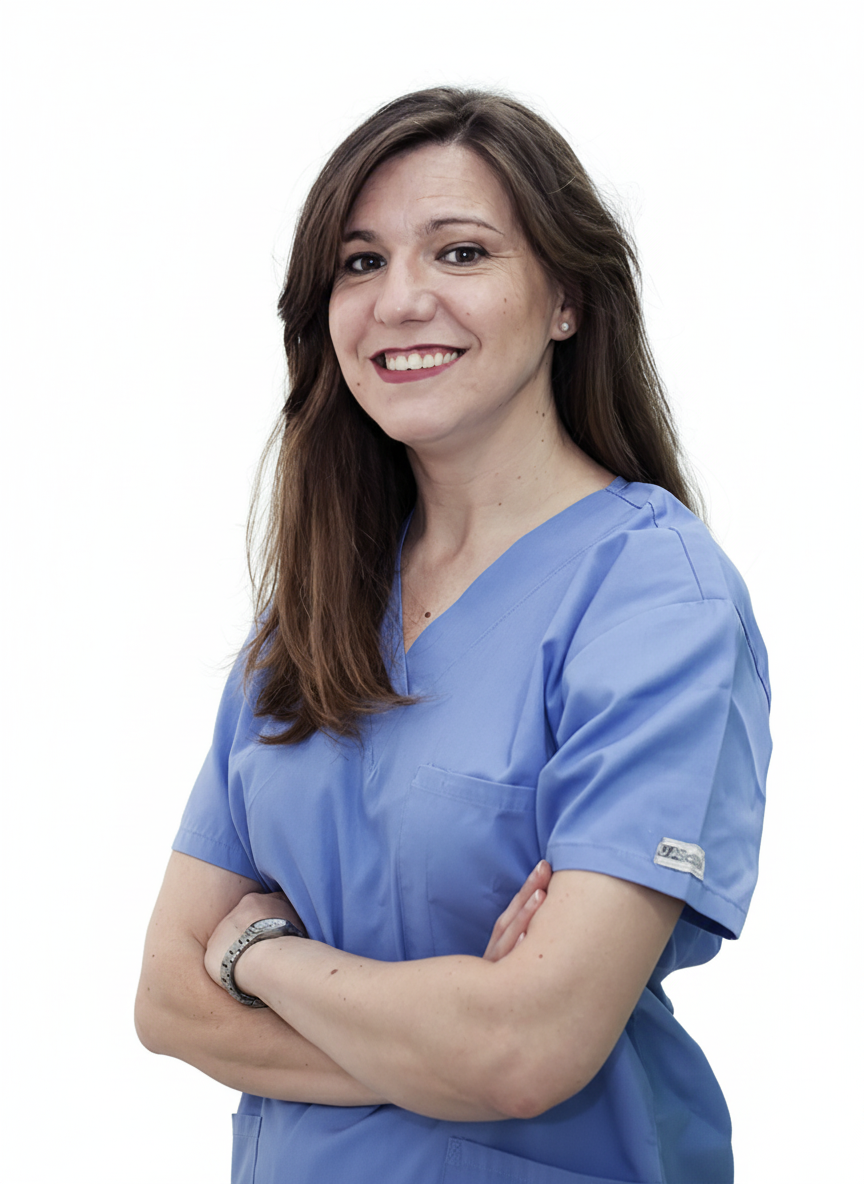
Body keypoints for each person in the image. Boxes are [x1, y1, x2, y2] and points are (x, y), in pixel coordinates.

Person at [135, 87, 771, 1184]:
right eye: (360, 263)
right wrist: (453, 1044)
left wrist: (259, 955)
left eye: (461, 252)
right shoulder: (312, 612)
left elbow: (529, 1049)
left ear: (567, 298)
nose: (400, 300)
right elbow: (164, 998)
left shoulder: (656, 601)